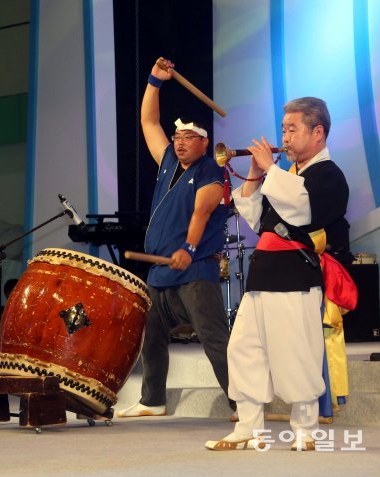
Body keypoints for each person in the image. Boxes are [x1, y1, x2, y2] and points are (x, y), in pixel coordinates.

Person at [205, 97, 353, 451]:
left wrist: (270, 169)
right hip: (263, 275)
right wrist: (256, 176)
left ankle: (305, 430)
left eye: (293, 129)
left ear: (318, 133)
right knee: (244, 350)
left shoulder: (329, 174)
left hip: (296, 277)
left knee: (296, 352)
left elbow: (302, 211)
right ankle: (248, 427)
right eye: (283, 129)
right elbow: (260, 221)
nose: (284, 138)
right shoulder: (285, 176)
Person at [117, 57, 235, 418]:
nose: (180, 143)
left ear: (205, 143)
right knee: (151, 337)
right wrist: (154, 81)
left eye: (189, 138)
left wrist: (189, 247)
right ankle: (153, 400)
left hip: (194, 269)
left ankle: (241, 403)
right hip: (160, 272)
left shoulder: (212, 169)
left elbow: (202, 211)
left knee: (214, 339)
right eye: (178, 137)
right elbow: (147, 121)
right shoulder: (168, 160)